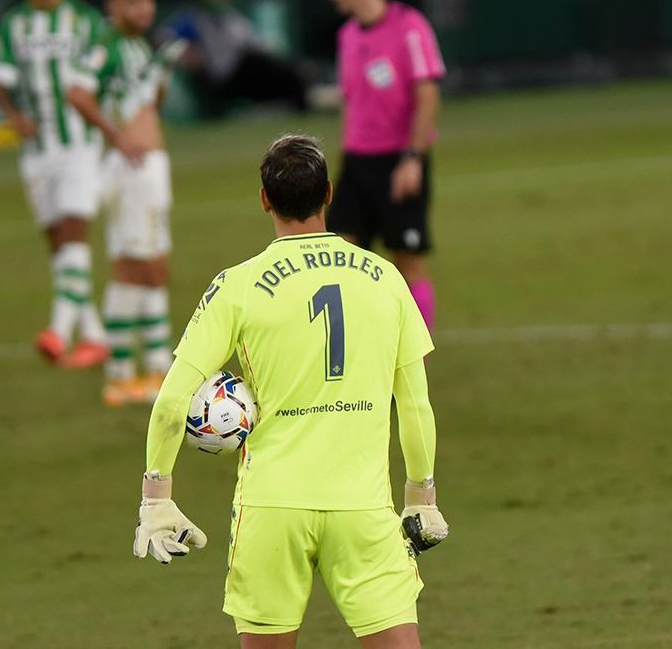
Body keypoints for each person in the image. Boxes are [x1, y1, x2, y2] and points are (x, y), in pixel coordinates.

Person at [132, 135, 450, 649]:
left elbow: (173, 399)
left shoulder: (236, 285)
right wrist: (421, 496)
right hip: (363, 509)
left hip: (271, 508)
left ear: (264, 199)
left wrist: (156, 497)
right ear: (329, 193)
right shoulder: (387, 278)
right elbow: (415, 402)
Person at [0, 0, 109, 369]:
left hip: (79, 144)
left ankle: (58, 332)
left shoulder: (85, 21)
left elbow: (100, 76)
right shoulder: (13, 26)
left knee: (75, 232)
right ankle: (95, 335)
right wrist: (14, 116)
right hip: (37, 152)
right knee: (59, 247)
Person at [65, 0, 179, 408]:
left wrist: (161, 79)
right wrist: (117, 137)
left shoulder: (137, 47)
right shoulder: (106, 45)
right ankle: (118, 376)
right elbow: (76, 92)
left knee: (154, 266)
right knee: (133, 265)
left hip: (151, 167)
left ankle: (155, 368)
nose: (143, 8)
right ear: (112, 6)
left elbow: (149, 106)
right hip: (129, 170)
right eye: (132, 0)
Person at [324, 0, 445, 332]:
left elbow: (427, 95)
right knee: (339, 261)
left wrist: (413, 158)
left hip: (400, 159)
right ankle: (363, 354)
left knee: (407, 262)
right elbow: (352, 103)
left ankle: (415, 365)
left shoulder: (409, 26)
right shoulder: (346, 36)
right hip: (358, 163)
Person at [170, 0, 308, 118]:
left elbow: (254, 43)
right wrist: (186, 52)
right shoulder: (193, 20)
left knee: (284, 71)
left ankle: (299, 106)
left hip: (244, 70)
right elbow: (164, 36)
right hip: (221, 77)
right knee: (257, 63)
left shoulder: (232, 16)